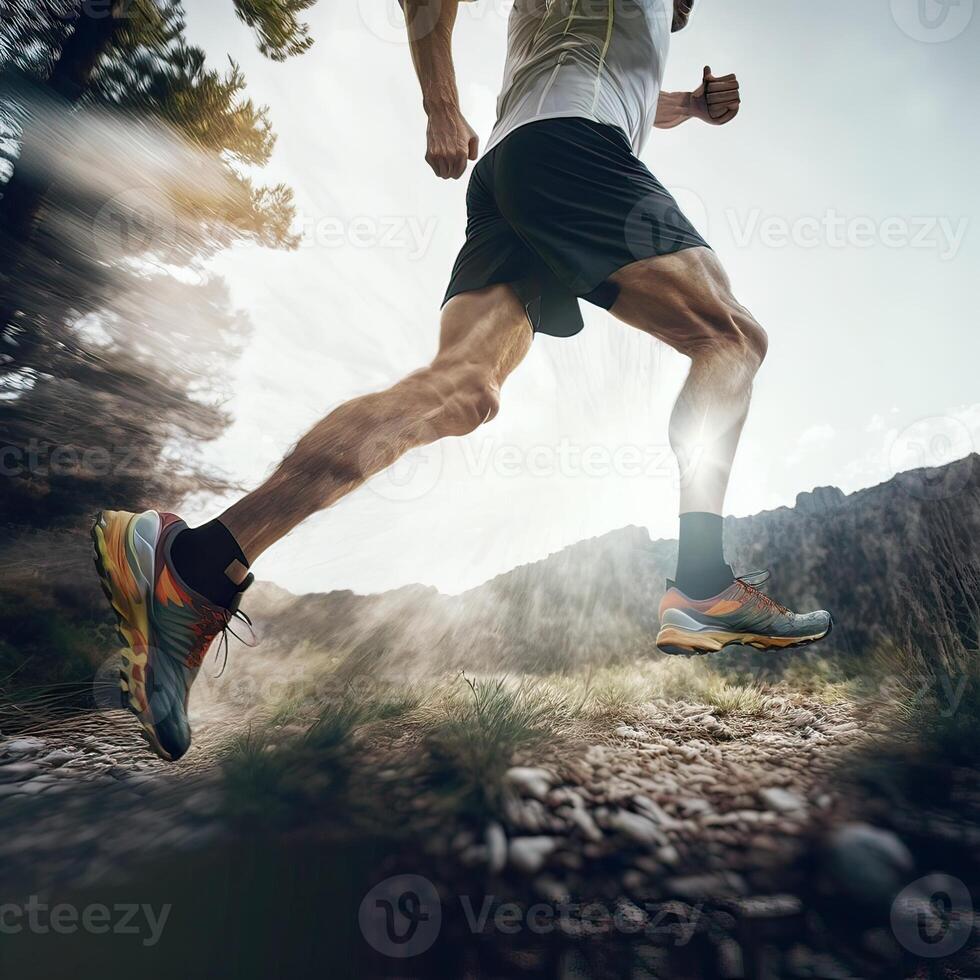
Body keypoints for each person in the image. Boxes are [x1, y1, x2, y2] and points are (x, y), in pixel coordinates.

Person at [92, 0, 831, 761]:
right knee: (731, 337)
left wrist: (690, 108)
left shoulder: (622, 25)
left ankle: (198, 563)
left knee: (461, 393)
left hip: (524, 165)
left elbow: (602, 72)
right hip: (573, 149)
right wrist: (441, 107)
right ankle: (703, 585)